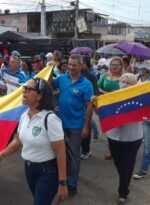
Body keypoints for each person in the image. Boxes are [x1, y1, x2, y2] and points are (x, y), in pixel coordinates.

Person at [0, 78, 68, 205]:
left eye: (28, 89)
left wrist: (62, 183)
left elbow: (61, 153)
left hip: (47, 172)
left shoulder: (50, 119)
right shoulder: (24, 115)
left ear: (39, 96)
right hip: (29, 169)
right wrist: (1, 155)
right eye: (24, 88)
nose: (24, 91)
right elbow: (17, 140)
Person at [97, 73, 143, 204]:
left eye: (127, 82)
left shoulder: (139, 98)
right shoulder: (112, 98)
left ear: (133, 84)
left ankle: (123, 191)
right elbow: (101, 113)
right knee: (119, 163)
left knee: (127, 164)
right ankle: (125, 179)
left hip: (132, 137)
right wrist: (96, 103)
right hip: (114, 136)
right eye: (122, 81)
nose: (124, 83)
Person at [52, 54, 93, 196]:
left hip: (76, 126)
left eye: (74, 65)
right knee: (60, 154)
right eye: (69, 64)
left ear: (81, 66)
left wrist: (86, 127)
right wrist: (49, 68)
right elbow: (49, 83)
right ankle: (61, 179)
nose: (71, 67)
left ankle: (72, 184)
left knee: (74, 156)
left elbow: (89, 107)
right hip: (59, 125)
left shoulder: (86, 84)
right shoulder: (62, 78)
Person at [98, 56, 124, 160]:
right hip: (107, 106)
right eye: (112, 64)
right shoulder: (105, 76)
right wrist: (104, 93)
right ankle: (111, 151)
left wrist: (112, 95)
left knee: (120, 129)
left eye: (117, 65)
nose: (114, 67)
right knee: (109, 128)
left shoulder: (124, 77)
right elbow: (98, 87)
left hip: (120, 107)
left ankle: (121, 150)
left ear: (121, 66)